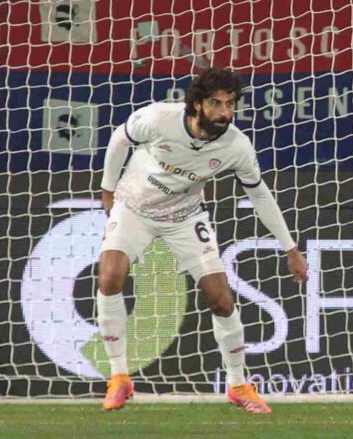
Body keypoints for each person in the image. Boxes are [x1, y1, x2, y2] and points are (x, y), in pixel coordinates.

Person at [97, 67, 308, 413]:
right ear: (196, 104)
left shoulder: (236, 145)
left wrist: (290, 248)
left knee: (221, 299)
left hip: (185, 215)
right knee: (110, 277)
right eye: (215, 104)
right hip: (134, 206)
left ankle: (239, 384)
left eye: (230, 104)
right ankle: (119, 377)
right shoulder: (159, 118)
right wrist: (107, 190)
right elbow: (121, 139)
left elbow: (260, 195)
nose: (224, 113)